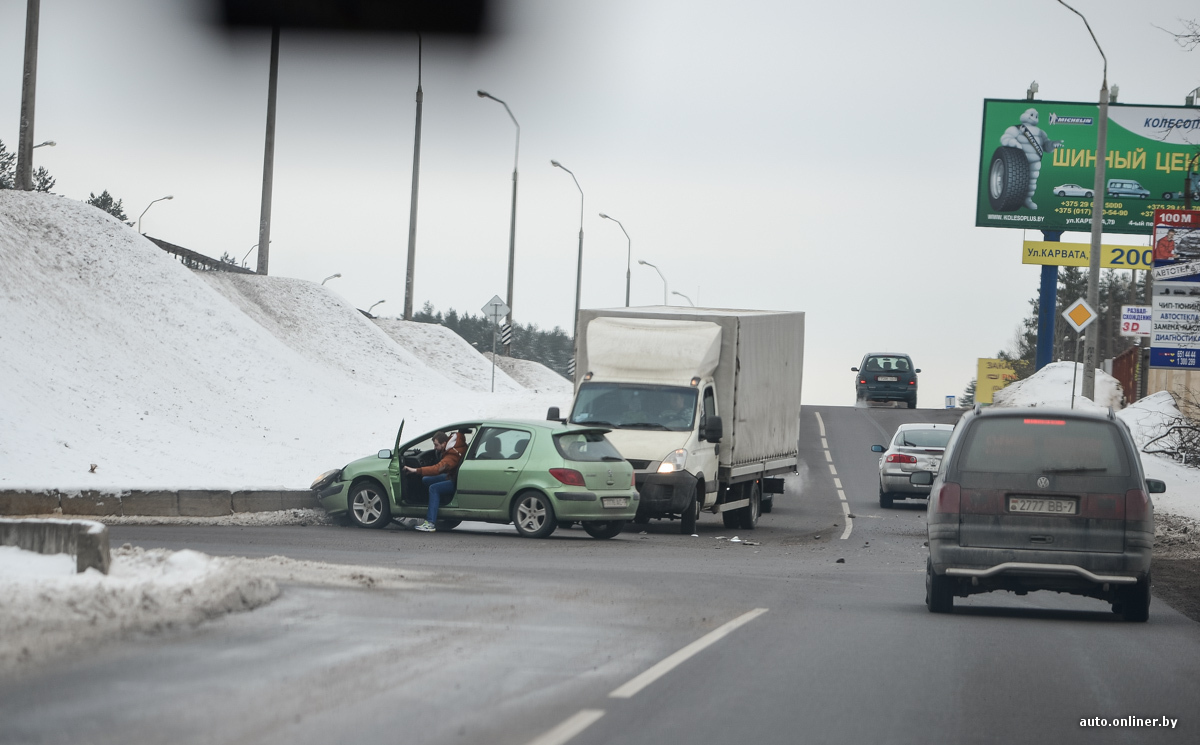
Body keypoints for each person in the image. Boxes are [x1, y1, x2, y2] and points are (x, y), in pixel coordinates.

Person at [403, 429, 468, 532]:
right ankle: (436, 504)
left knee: (434, 488)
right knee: (426, 479)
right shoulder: (454, 445)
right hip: (452, 476)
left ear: (444, 443)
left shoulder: (452, 454)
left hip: (456, 481)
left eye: (436, 445)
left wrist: (416, 470)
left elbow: (438, 469)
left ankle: (430, 523)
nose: (435, 448)